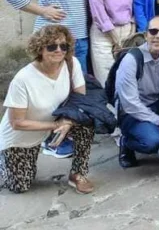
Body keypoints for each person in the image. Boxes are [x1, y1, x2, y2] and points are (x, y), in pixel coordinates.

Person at [0, 26, 94, 194]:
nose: (59, 50)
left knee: (86, 123)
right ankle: (5, 161)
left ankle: (78, 173)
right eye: (51, 46)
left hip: (51, 126)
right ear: (40, 49)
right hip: (19, 138)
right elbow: (16, 123)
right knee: (20, 186)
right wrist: (56, 125)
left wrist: (67, 122)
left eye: (63, 46)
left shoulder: (71, 64)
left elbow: (80, 100)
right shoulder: (23, 79)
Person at [115, 15, 159, 168]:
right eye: (153, 31)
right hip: (132, 112)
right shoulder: (131, 60)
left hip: (158, 103)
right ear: (146, 35)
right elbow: (130, 105)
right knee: (153, 141)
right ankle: (126, 142)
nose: (158, 36)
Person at [87, 0, 137, 88]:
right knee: (106, 78)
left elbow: (134, 7)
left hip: (128, 31)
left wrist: (132, 33)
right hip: (104, 34)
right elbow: (99, 14)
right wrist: (115, 40)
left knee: (127, 76)